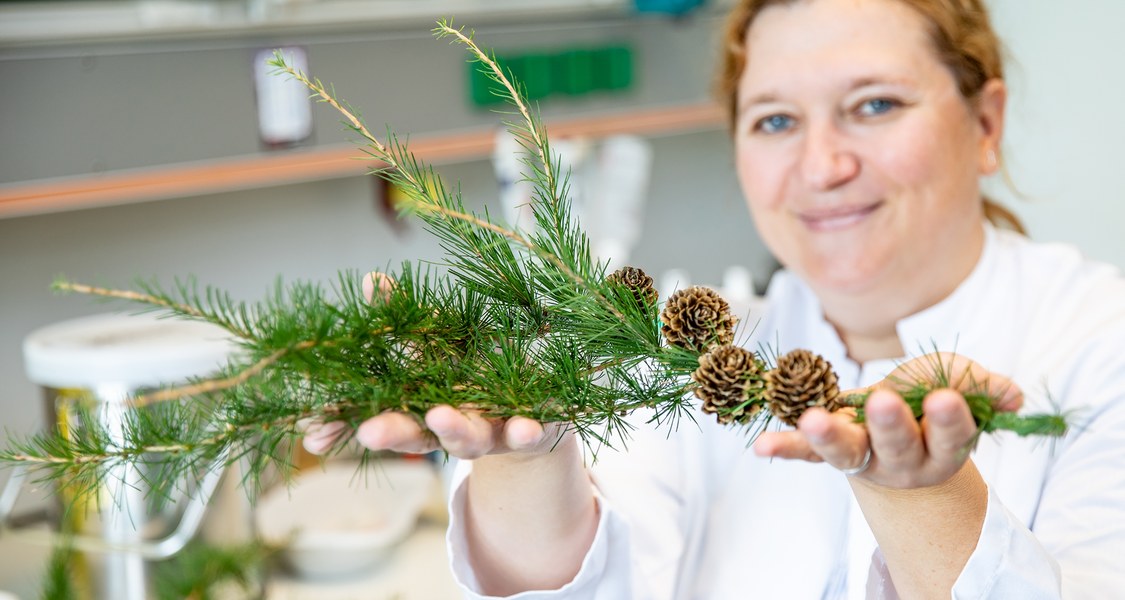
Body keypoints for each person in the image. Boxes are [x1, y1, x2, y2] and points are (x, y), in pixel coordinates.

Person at [304, 0, 1125, 597]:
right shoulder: (705, 357)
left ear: (984, 124)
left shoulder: (1100, 341)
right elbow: (578, 583)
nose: (821, 165)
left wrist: (922, 499)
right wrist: (525, 457)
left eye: (874, 105)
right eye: (774, 121)